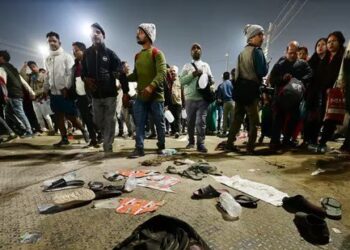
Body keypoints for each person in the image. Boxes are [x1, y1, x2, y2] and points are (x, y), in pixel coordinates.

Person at [123, 23, 167, 158]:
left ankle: (161, 145)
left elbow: (162, 73)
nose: (137, 35)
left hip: (156, 96)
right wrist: (124, 76)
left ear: (148, 35)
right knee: (139, 122)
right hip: (141, 96)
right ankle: (139, 148)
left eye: (141, 32)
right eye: (138, 32)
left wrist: (151, 86)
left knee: (159, 122)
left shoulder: (157, 53)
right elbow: (136, 75)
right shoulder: (137, 56)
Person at [82, 23, 126, 153]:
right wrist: (86, 79)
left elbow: (119, 69)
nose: (95, 35)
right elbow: (83, 72)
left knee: (110, 119)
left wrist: (118, 78)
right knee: (97, 120)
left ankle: (108, 145)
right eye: (92, 32)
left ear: (103, 35)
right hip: (95, 95)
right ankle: (108, 135)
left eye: (98, 32)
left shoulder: (110, 53)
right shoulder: (87, 53)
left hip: (110, 94)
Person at [225, 24, 268, 154]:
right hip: (251, 90)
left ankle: (229, 143)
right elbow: (262, 72)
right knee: (254, 120)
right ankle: (250, 147)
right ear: (252, 37)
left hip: (240, 90)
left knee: (237, 119)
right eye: (259, 35)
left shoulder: (241, 53)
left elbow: (236, 74)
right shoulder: (257, 51)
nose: (262, 38)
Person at [43, 31, 88, 147]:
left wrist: (66, 88)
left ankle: (84, 131)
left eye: (54, 41)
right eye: (49, 41)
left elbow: (70, 74)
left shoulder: (66, 56)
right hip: (54, 93)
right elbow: (47, 76)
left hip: (65, 92)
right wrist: (45, 89)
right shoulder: (47, 59)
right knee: (58, 116)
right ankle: (64, 138)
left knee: (70, 116)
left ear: (59, 42)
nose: (52, 43)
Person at [269, 42, 312, 149]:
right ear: (286, 52)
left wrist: (300, 81)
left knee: (293, 119)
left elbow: (310, 74)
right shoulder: (280, 63)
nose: (292, 55)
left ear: (298, 52)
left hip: (295, 98)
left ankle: (287, 140)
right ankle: (274, 141)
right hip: (280, 97)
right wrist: (282, 78)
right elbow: (272, 79)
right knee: (278, 118)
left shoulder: (302, 64)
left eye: (295, 53)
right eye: (290, 53)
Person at [180, 43, 214, 153]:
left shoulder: (206, 65)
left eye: (198, 48)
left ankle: (201, 144)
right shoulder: (186, 66)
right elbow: (181, 81)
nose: (196, 49)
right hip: (190, 98)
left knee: (201, 122)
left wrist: (209, 79)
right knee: (190, 122)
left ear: (201, 51)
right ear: (191, 52)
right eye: (193, 48)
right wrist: (193, 74)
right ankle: (191, 142)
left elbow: (212, 80)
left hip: (202, 99)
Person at [317, 31, 347, 153]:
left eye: (333, 41)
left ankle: (323, 142)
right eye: (328, 42)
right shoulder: (326, 58)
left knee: (331, 118)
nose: (330, 44)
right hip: (326, 92)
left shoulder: (344, 56)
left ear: (340, 42)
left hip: (338, 92)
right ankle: (321, 141)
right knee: (325, 117)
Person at [0, 50, 35, 137]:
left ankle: (29, 131)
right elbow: (23, 81)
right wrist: (31, 91)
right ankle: (23, 128)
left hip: (11, 94)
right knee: (8, 112)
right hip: (18, 93)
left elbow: (2, 82)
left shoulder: (2, 68)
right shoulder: (14, 69)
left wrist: (4, 95)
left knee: (19, 112)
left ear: (1, 58)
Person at [72, 41, 100, 148]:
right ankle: (93, 139)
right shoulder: (75, 66)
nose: (74, 53)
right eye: (73, 51)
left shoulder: (90, 62)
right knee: (86, 119)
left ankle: (101, 134)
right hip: (80, 97)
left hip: (91, 95)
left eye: (76, 50)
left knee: (94, 117)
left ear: (83, 51)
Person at [302, 38, 329, 147]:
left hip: (324, 94)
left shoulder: (329, 61)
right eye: (318, 45)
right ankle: (306, 140)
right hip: (311, 94)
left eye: (323, 44)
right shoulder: (312, 61)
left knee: (319, 118)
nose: (320, 46)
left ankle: (315, 140)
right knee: (308, 117)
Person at [20, 61, 54, 134]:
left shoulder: (43, 75)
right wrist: (24, 66)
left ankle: (51, 129)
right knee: (38, 116)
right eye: (31, 67)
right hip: (34, 100)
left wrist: (35, 93)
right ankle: (43, 129)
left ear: (36, 66)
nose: (32, 68)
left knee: (46, 115)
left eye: (33, 66)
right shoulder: (30, 76)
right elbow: (22, 76)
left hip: (42, 98)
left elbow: (46, 87)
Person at [165, 65, 183, 138]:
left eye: (174, 71)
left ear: (176, 72)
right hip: (170, 102)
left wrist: (184, 103)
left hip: (178, 101)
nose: (172, 72)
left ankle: (177, 131)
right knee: (171, 117)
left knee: (177, 117)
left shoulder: (180, 80)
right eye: (171, 71)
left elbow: (183, 92)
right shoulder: (168, 81)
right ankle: (173, 131)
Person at [217, 71, 234, 136]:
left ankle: (224, 131)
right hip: (232, 101)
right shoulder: (231, 83)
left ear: (223, 77)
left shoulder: (222, 85)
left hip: (225, 103)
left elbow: (219, 97)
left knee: (225, 118)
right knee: (232, 118)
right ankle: (231, 132)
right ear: (229, 76)